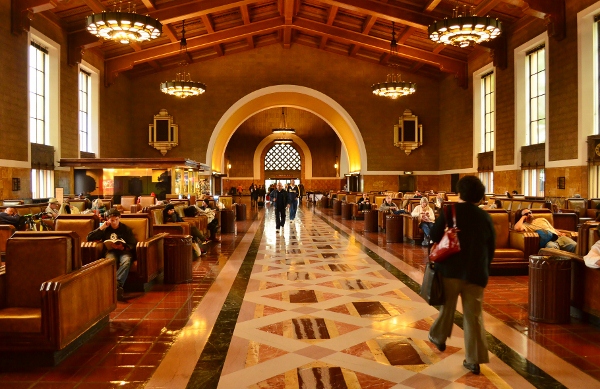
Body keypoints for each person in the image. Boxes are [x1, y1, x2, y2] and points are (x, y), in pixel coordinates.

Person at [428, 175, 496, 376]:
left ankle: (438, 337)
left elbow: (433, 235)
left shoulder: (450, 211)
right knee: (473, 317)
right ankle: (473, 361)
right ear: (480, 196)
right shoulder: (485, 217)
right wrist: (485, 267)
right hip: (476, 274)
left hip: (450, 270)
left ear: (460, 192)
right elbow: (491, 246)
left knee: (446, 308)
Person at [87, 208, 137, 301]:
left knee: (126, 261)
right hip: (110, 251)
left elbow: (133, 244)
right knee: (109, 261)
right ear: (108, 220)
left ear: (119, 218)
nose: (114, 222)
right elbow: (89, 237)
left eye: (116, 220)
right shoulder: (105, 229)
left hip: (124, 251)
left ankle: (115, 284)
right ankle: (117, 287)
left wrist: (123, 247)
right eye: (112, 220)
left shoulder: (126, 229)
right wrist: (101, 228)